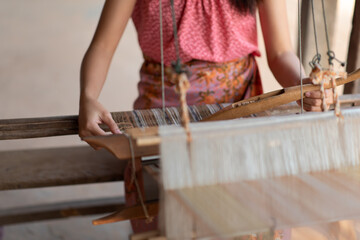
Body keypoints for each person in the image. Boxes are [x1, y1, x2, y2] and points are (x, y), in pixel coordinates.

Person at [78, 0, 333, 239]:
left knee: (254, 211)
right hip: (166, 114)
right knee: (166, 202)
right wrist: (88, 96)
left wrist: (302, 85)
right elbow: (103, 46)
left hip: (239, 111)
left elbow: (280, 53)